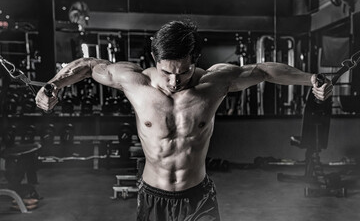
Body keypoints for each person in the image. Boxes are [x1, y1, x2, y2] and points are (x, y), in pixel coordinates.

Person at [35, 20, 333, 221]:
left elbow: (265, 70)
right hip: (153, 198)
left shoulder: (216, 82)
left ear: (195, 59)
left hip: (198, 197)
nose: (175, 80)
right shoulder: (134, 81)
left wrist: (311, 79)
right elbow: (88, 66)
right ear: (154, 60)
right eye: (167, 72)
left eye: (184, 71)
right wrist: (52, 86)